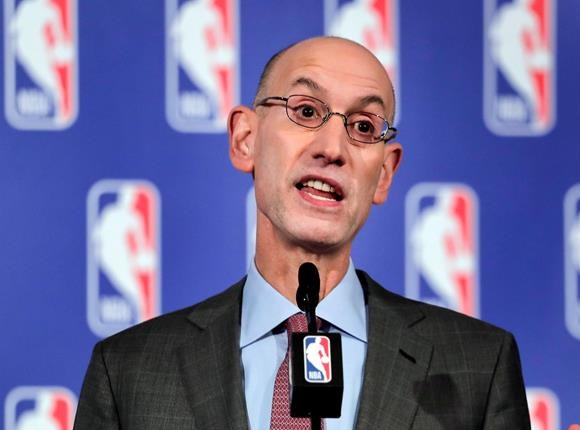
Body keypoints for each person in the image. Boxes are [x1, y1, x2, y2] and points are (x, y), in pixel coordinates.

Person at [74, 36, 531, 429]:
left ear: (384, 174)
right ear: (245, 139)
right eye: (307, 111)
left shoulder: (477, 367)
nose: (332, 148)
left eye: (364, 127)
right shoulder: (130, 371)